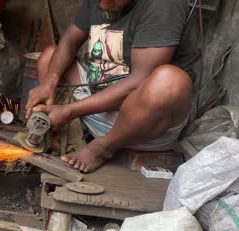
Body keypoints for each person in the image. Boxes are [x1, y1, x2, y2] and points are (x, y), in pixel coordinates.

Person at [26, 0, 198, 173]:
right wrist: (50, 81)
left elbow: (140, 79)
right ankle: (62, 135)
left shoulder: (164, 4)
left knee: (169, 81)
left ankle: (103, 148)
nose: (103, 5)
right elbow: (70, 39)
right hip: (94, 109)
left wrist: (70, 111)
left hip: (142, 125)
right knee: (49, 59)